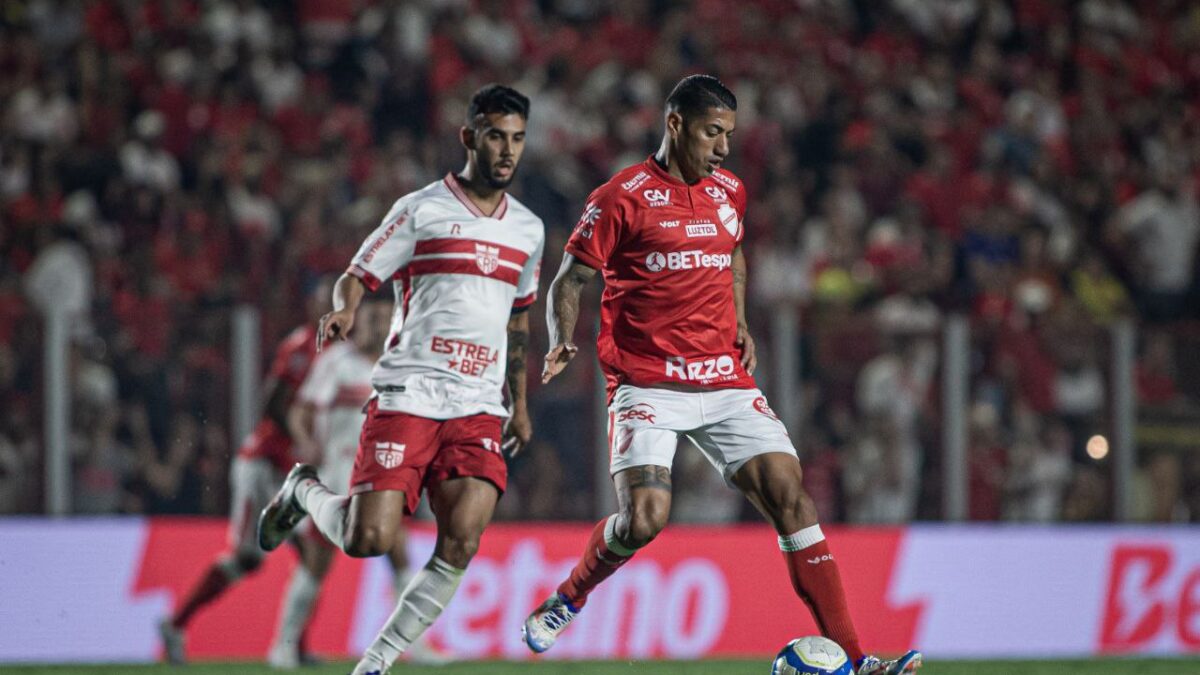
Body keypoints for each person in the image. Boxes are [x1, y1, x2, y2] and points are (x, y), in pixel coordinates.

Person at [520, 75, 922, 675]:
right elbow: (570, 278)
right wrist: (560, 339)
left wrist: (740, 321)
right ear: (675, 124)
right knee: (644, 520)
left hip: (724, 378)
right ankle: (569, 598)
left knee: (791, 495)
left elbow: (732, 253)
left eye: (729, 134)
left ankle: (859, 660)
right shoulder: (621, 197)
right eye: (713, 132)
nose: (724, 148)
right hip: (648, 383)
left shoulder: (729, 191)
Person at [257, 83, 543, 675]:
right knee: (367, 539)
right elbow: (357, 274)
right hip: (411, 392)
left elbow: (518, 321)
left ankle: (375, 664)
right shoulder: (421, 209)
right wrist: (345, 309)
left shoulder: (529, 230)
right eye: (495, 136)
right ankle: (304, 489)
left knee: (462, 539)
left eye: (517, 139)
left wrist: (518, 402)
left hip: (477, 403)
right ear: (469, 137)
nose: (507, 150)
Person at [158, 278, 333, 664]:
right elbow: (271, 404)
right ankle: (175, 624)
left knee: (313, 553)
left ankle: (295, 646)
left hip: (296, 470)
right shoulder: (300, 347)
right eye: (326, 302)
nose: (333, 310)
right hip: (264, 464)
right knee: (247, 559)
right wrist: (303, 439)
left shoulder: (342, 354)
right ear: (311, 307)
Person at [268, 296, 448, 667]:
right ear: (357, 322)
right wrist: (304, 441)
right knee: (316, 563)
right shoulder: (336, 362)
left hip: (384, 475)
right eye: (371, 318)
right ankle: (283, 645)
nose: (378, 325)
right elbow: (301, 410)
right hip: (337, 476)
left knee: (400, 555)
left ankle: (417, 646)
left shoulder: (400, 364)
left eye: (384, 318)